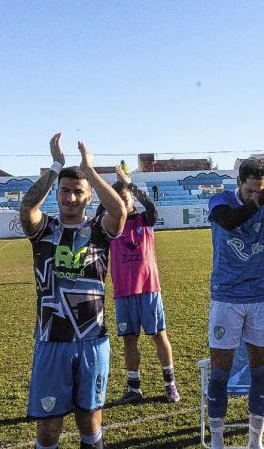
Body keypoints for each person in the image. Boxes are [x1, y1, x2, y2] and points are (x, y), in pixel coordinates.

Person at [19, 133, 128, 449]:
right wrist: (56, 166)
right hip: (52, 341)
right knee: (49, 429)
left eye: (78, 192)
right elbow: (27, 208)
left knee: (90, 423)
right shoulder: (45, 230)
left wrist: (90, 171)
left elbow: (119, 211)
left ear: (89, 197)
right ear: (57, 194)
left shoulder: (98, 230)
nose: (70, 198)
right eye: (64, 192)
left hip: (91, 340)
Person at [205, 151, 264, 449]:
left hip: (260, 295)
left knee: (260, 371)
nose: (255, 196)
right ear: (239, 183)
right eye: (249, 190)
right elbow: (230, 222)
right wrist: (262, 198)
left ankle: (254, 441)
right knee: (220, 372)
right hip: (226, 296)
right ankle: (217, 441)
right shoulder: (220, 200)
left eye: (260, 190)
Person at [95, 169, 180, 405]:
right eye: (118, 198)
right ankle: (134, 388)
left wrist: (130, 185)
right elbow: (100, 212)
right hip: (124, 292)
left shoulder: (145, 219)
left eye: (126, 198)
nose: (123, 202)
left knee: (158, 335)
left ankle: (170, 384)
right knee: (129, 340)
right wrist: (108, 196)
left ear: (131, 198)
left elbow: (151, 206)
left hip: (149, 289)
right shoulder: (109, 226)